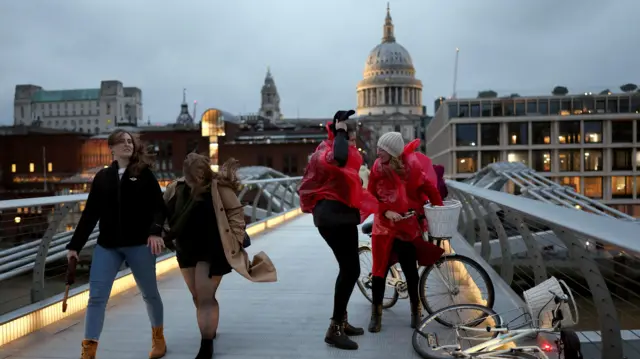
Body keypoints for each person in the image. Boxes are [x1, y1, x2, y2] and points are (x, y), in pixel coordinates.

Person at [162, 153, 277, 359]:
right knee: (197, 295)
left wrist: (235, 238)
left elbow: (236, 213)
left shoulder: (218, 187)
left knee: (205, 297)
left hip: (213, 249)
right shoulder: (177, 188)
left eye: (199, 173)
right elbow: (162, 211)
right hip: (186, 249)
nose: (195, 178)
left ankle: (206, 345)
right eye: (191, 174)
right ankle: (209, 327)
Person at [65, 129, 168, 359]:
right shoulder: (102, 178)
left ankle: (158, 339)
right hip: (107, 246)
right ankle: (89, 351)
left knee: (150, 294)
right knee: (97, 297)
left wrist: (154, 232)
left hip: (139, 244)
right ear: (111, 148)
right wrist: (75, 246)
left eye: (130, 141)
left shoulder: (144, 174)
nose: (127, 144)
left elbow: (159, 208)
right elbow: (90, 214)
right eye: (121, 142)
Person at [298, 110, 376, 350]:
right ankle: (334, 329)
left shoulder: (334, 152)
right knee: (350, 270)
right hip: (332, 218)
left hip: (342, 216)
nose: (353, 146)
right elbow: (341, 156)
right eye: (350, 140)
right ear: (340, 137)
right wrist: (340, 128)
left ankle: (341, 321)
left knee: (348, 269)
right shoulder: (326, 154)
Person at [365, 132, 444, 333]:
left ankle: (416, 311)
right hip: (384, 226)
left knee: (410, 270)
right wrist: (386, 211)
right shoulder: (376, 168)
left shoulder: (412, 169)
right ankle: (376, 315)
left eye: (382, 149)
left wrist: (439, 212)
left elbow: (431, 189)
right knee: (379, 271)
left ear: (392, 153)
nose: (377, 151)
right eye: (378, 148)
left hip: (406, 226)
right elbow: (371, 196)